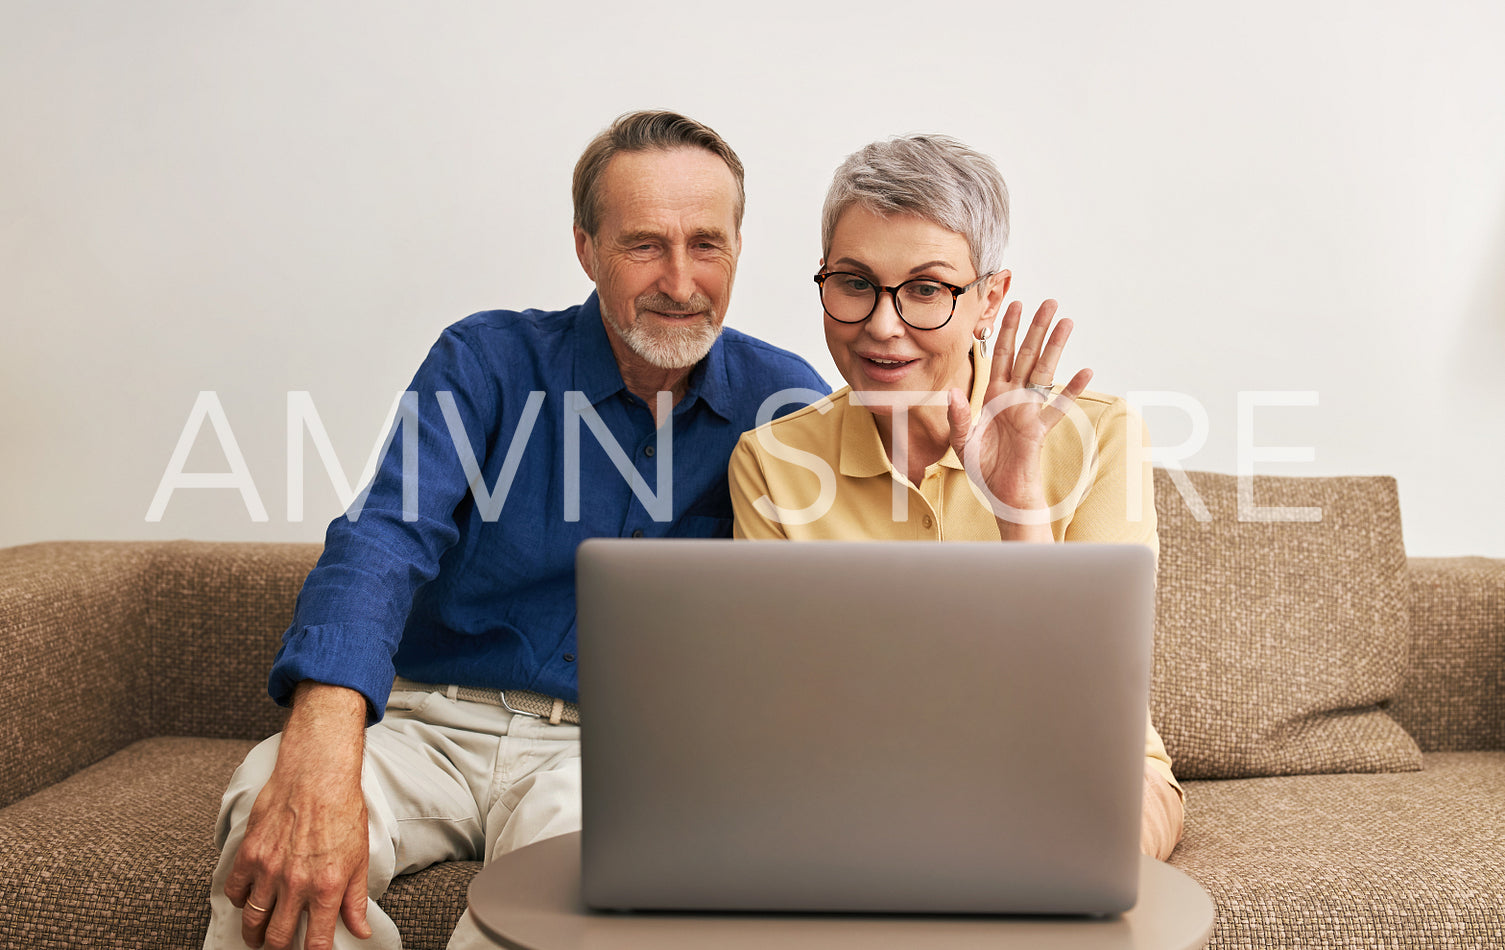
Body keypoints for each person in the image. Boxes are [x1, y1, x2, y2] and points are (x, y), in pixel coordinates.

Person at [204, 110, 828, 950]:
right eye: (644, 244)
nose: (680, 280)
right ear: (586, 248)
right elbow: (383, 536)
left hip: (608, 760)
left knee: (577, 911)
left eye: (706, 244)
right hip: (427, 723)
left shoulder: (781, 402)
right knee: (261, 805)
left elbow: (833, 597)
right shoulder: (486, 361)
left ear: (738, 247)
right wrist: (322, 727)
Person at [728, 134, 1184, 860]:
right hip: (868, 776)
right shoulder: (774, 461)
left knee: (1081, 845)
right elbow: (785, 711)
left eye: (926, 290)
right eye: (852, 282)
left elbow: (1091, 700)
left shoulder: (1100, 434)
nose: (881, 326)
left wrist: (1019, 505)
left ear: (988, 299)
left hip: (1082, 764)